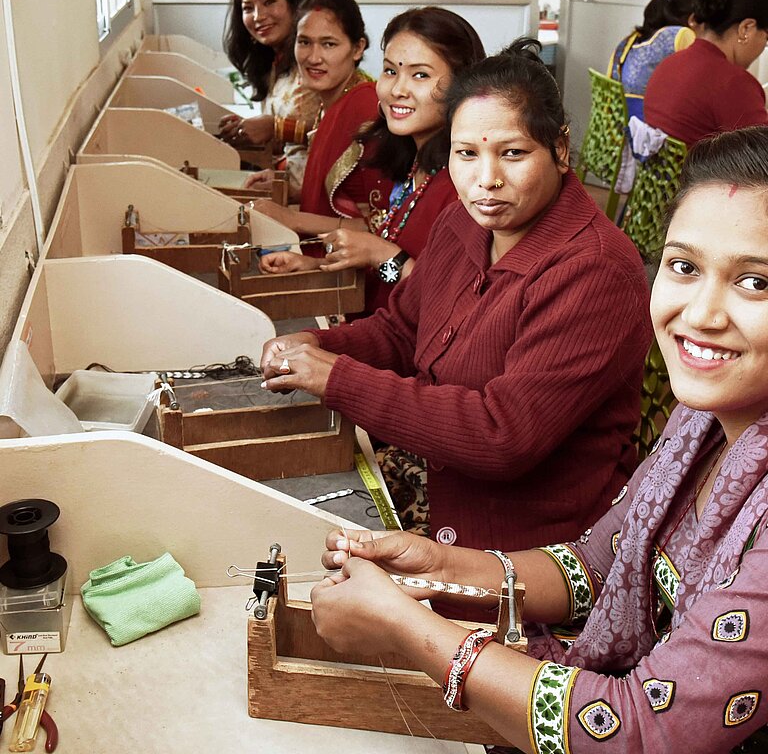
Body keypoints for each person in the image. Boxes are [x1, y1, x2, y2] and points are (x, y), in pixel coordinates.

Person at [311, 125, 768, 754]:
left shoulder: (593, 269)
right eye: (684, 267)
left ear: (560, 150)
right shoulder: (705, 420)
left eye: (756, 283)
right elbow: (598, 564)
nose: (701, 315)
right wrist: (437, 568)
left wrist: (404, 626)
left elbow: (644, 729)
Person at [260, 43, 652, 583]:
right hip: (441, 498)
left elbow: (502, 435)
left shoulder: (596, 269)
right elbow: (402, 331)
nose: (485, 179)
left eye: (512, 154)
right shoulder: (463, 223)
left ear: (560, 150)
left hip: (536, 557)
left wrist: (338, 378)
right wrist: (317, 346)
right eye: (466, 154)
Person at [254, 7, 484, 316]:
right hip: (376, 334)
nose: (397, 89)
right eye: (390, 71)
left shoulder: (464, 188)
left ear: (462, 85)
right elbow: (394, 281)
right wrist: (318, 265)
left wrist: (380, 252)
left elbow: (451, 308)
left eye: (420, 75)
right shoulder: (416, 169)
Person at [245, 0, 392, 242]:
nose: (313, 57)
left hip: (351, 273)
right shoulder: (331, 104)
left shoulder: (365, 107)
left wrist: (292, 218)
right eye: (304, 42)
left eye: (329, 44)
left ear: (357, 48)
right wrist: (292, 193)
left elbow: (385, 224)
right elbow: (343, 195)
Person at [218, 0, 321, 200]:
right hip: (282, 184)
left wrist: (275, 127)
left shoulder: (315, 61)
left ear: (294, 5)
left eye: (269, 2)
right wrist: (248, 130)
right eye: (248, 8)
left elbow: (343, 134)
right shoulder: (274, 61)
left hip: (315, 196)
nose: (258, 16)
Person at [644, 0, 768, 147]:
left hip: (662, 171)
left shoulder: (670, 63)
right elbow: (762, 156)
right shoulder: (735, 83)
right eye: (766, 37)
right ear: (746, 29)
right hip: (700, 172)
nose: (763, 45)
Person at [608, 0, 698, 121]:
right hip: (647, 129)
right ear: (693, 18)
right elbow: (698, 82)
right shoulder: (681, 34)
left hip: (616, 126)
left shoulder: (632, 38)